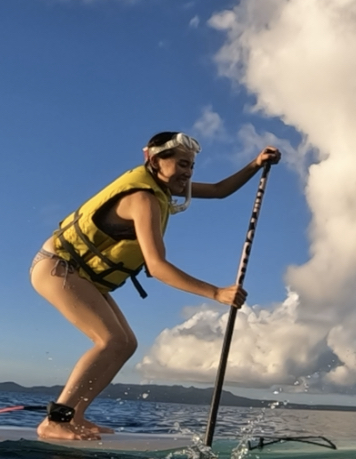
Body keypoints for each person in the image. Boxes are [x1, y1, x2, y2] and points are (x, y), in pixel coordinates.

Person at [30, 132, 281, 440]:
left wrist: (256, 164)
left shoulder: (160, 191)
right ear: (153, 160)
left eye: (191, 166)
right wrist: (216, 293)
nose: (188, 172)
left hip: (82, 275)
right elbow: (157, 267)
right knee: (109, 341)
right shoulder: (143, 198)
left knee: (125, 344)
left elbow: (218, 190)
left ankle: (75, 417)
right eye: (181, 164)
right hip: (58, 267)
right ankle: (55, 421)